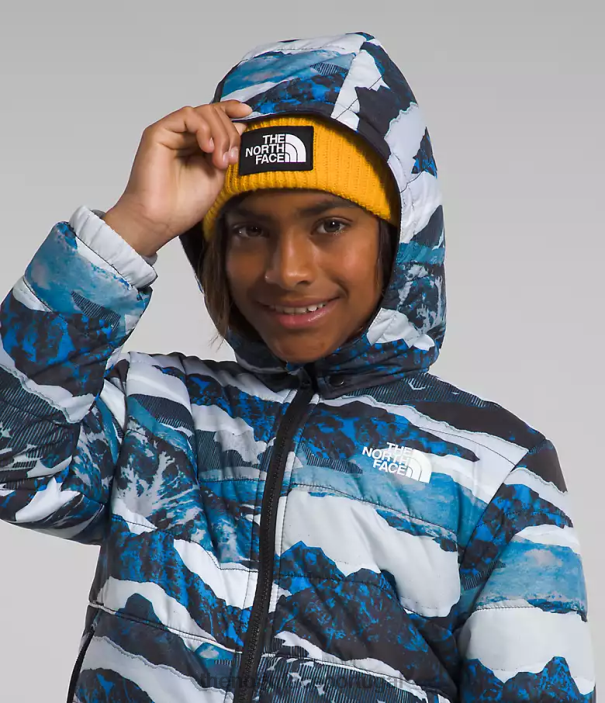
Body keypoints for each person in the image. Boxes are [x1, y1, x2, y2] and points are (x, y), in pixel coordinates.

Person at [0, 31, 596, 703]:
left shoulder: (495, 473)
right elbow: (9, 467)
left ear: (399, 233)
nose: (287, 270)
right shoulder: (155, 412)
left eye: (329, 225)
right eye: (250, 230)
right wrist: (134, 223)